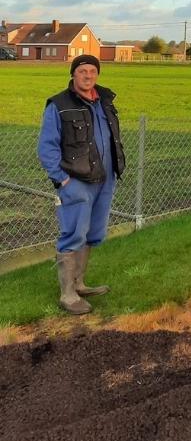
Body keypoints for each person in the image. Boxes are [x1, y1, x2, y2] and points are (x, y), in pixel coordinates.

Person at [37, 54, 126, 314]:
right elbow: (47, 147)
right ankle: (67, 294)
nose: (88, 76)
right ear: (73, 74)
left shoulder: (105, 101)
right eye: (82, 71)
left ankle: (79, 283)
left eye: (92, 71)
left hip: (105, 179)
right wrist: (62, 179)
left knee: (93, 233)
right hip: (76, 181)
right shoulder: (59, 105)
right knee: (73, 233)